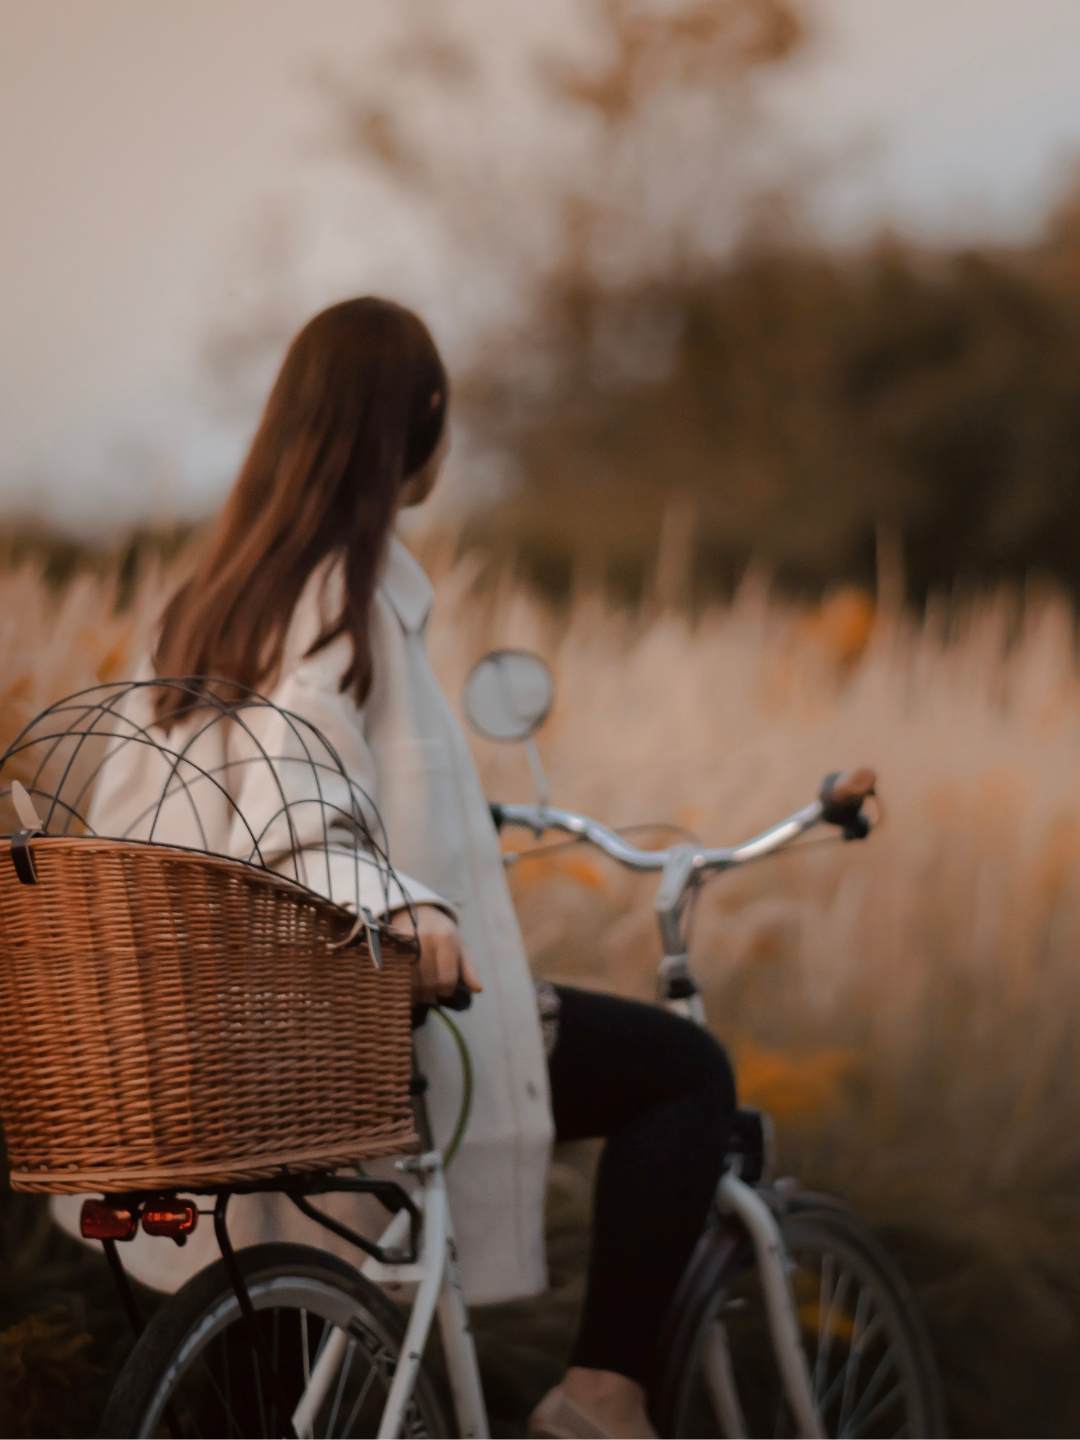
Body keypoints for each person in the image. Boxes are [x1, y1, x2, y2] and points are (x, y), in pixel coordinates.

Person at [76, 298, 736, 1438]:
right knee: (682, 1073)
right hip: (359, 1020)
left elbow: (166, 813)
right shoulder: (344, 591)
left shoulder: (205, 603)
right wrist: (404, 897)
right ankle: (601, 1396)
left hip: (219, 1034)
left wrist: (442, 824)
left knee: (277, 1397)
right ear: (415, 428)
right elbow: (303, 796)